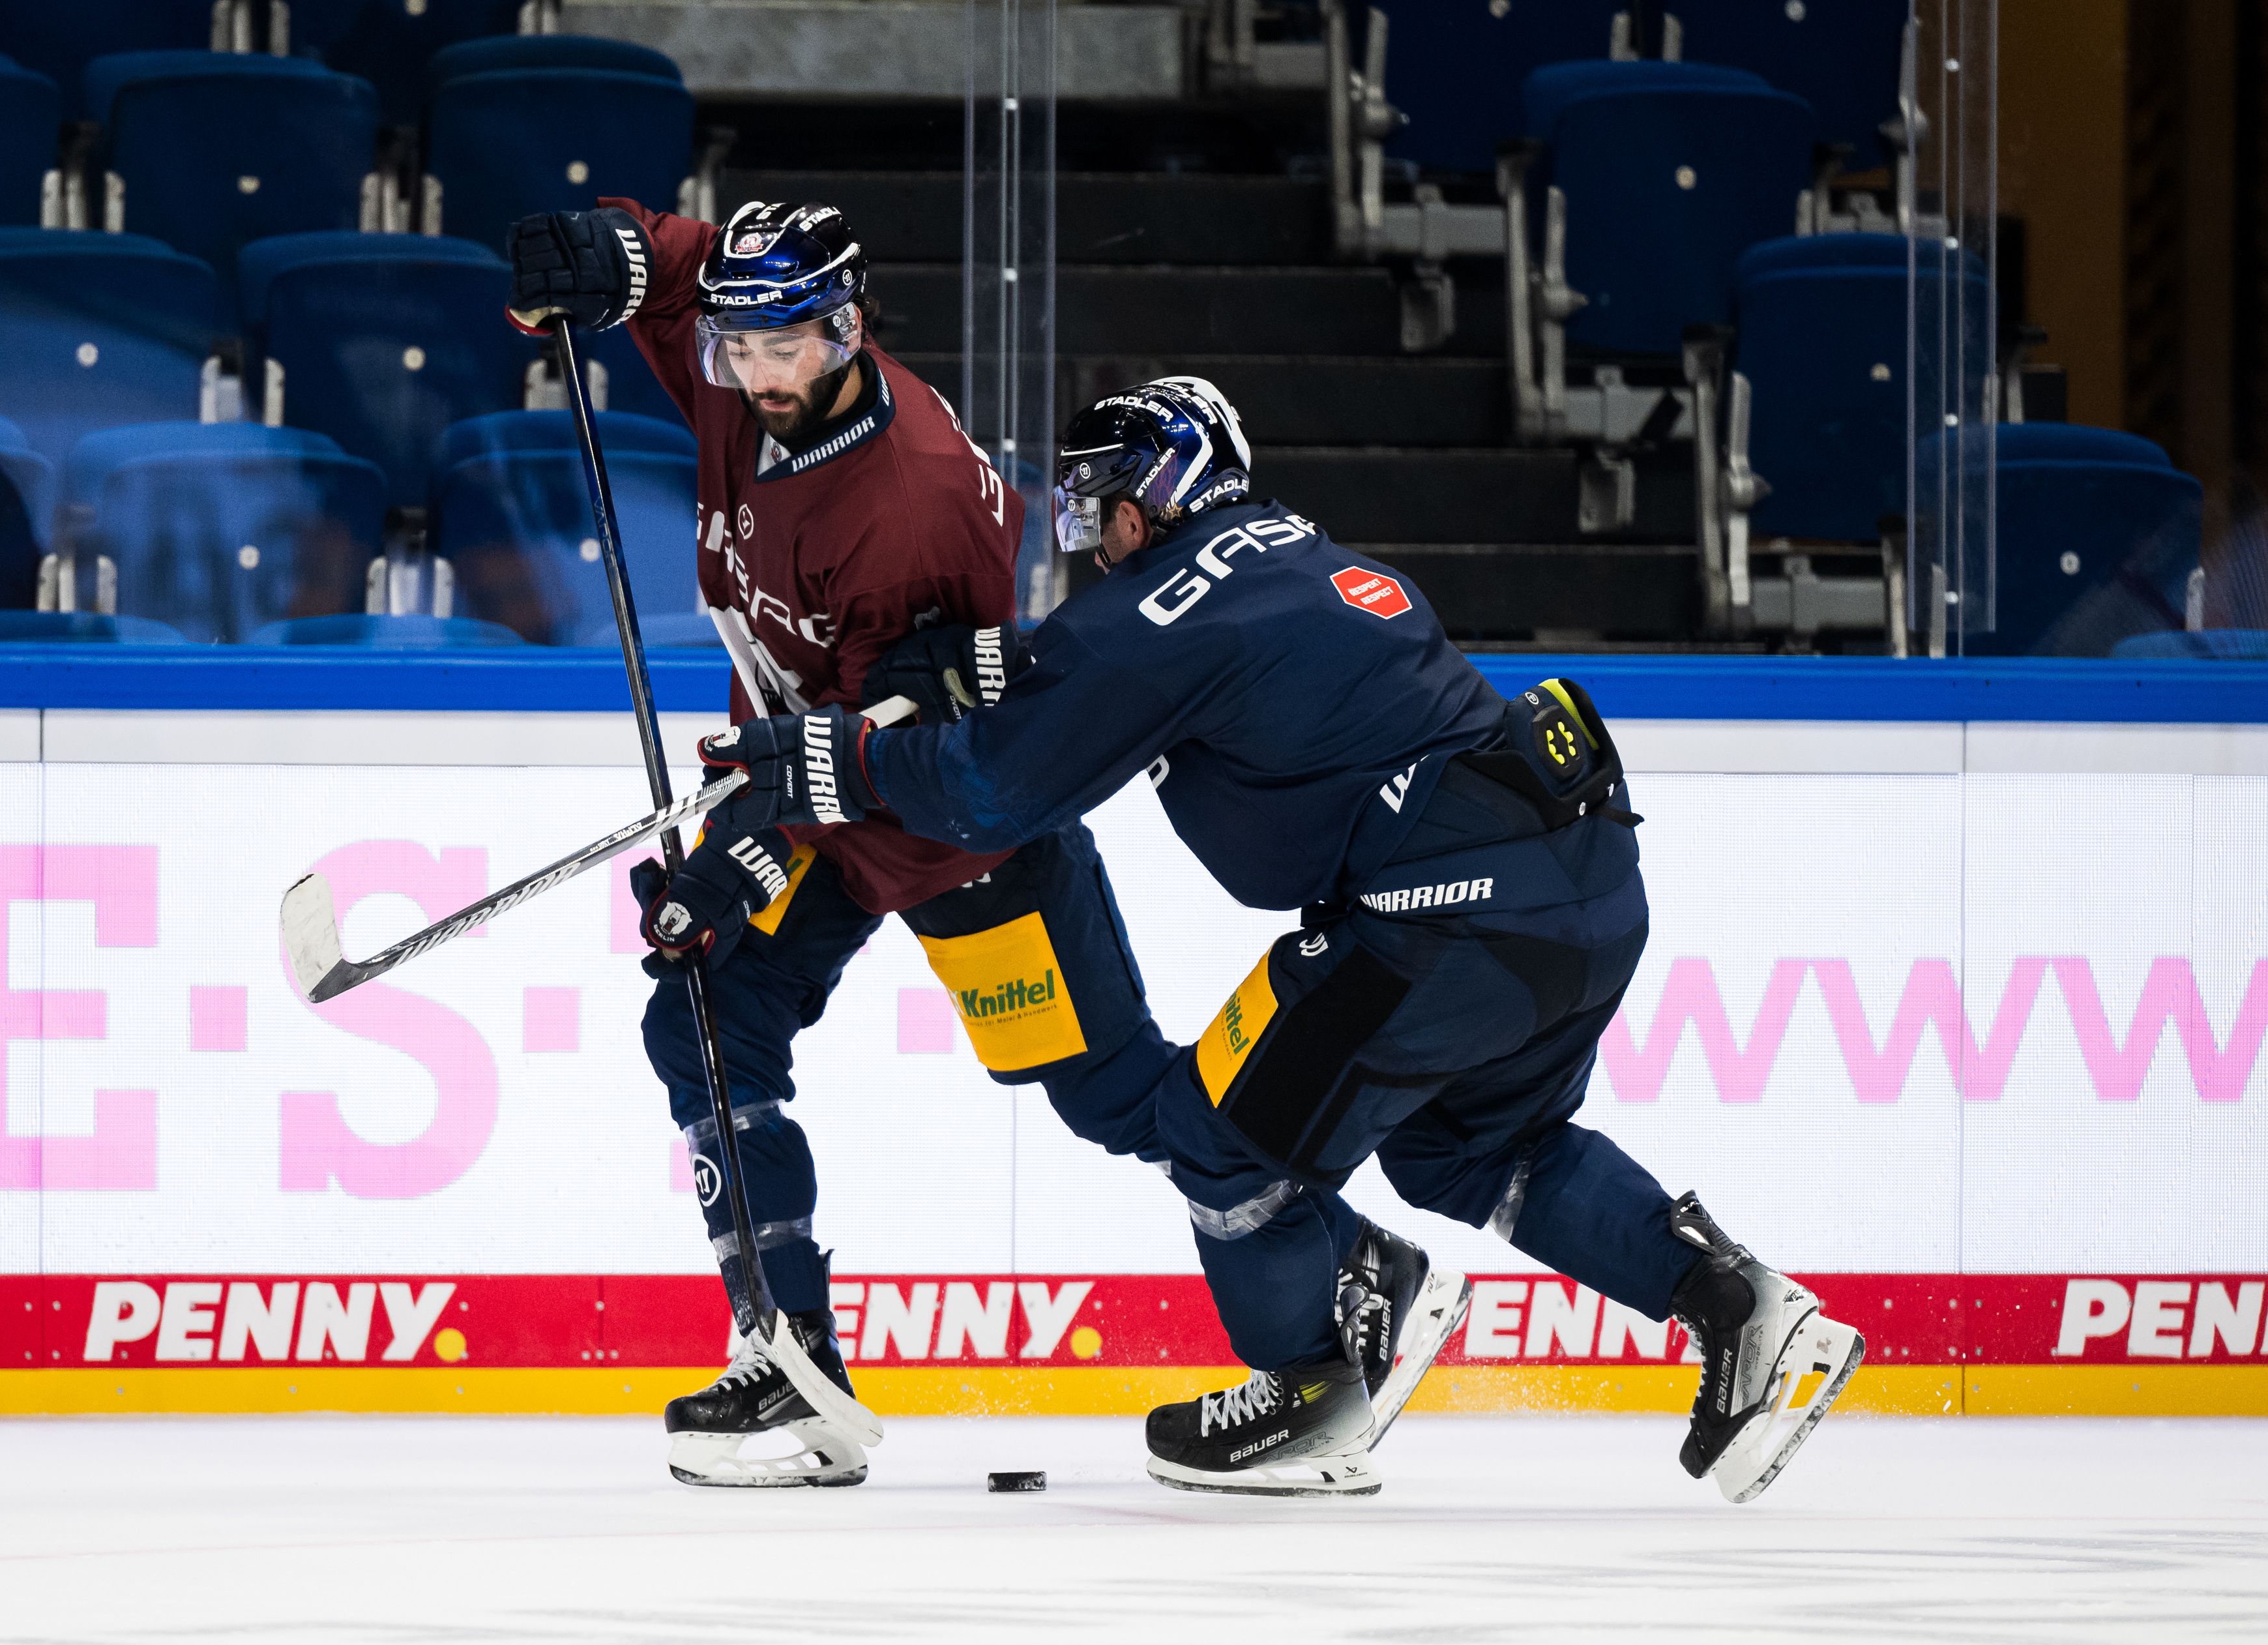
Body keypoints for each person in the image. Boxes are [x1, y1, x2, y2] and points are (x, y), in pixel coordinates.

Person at [692, 377, 1867, 1502]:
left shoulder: (1153, 615)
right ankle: (1740, 1305)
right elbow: (1146, 658)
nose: (1094, 536)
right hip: (1579, 887)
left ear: (1148, 497)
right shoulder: (1292, 552)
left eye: (1099, 507)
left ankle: (1313, 1392)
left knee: (1220, 1132)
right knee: (1468, 1148)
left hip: (1446, 913)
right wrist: (991, 662)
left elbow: (996, 798)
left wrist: (833, 761)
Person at [503, 203, 1241, 1489]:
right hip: (825, 811)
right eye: (743, 347)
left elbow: (891, 748)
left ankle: (1345, 1274)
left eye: (790, 344)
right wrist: (602, 256)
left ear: (849, 326)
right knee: (704, 1015)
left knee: (1110, 1094)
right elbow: (680, 269)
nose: (761, 373)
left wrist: (743, 843)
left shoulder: (902, 509)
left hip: (957, 829)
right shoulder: (740, 374)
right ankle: (789, 1364)